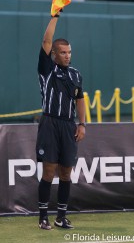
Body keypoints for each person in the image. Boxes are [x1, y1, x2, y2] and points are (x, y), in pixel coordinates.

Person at [36, 11, 86, 230]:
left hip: (68, 125)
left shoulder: (75, 74)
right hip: (49, 123)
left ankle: (61, 216)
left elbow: (80, 99)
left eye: (69, 52)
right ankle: (43, 217)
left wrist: (82, 124)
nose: (67, 56)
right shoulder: (47, 69)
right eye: (63, 52)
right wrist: (55, 16)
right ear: (54, 54)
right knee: (49, 171)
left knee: (66, 172)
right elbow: (47, 40)